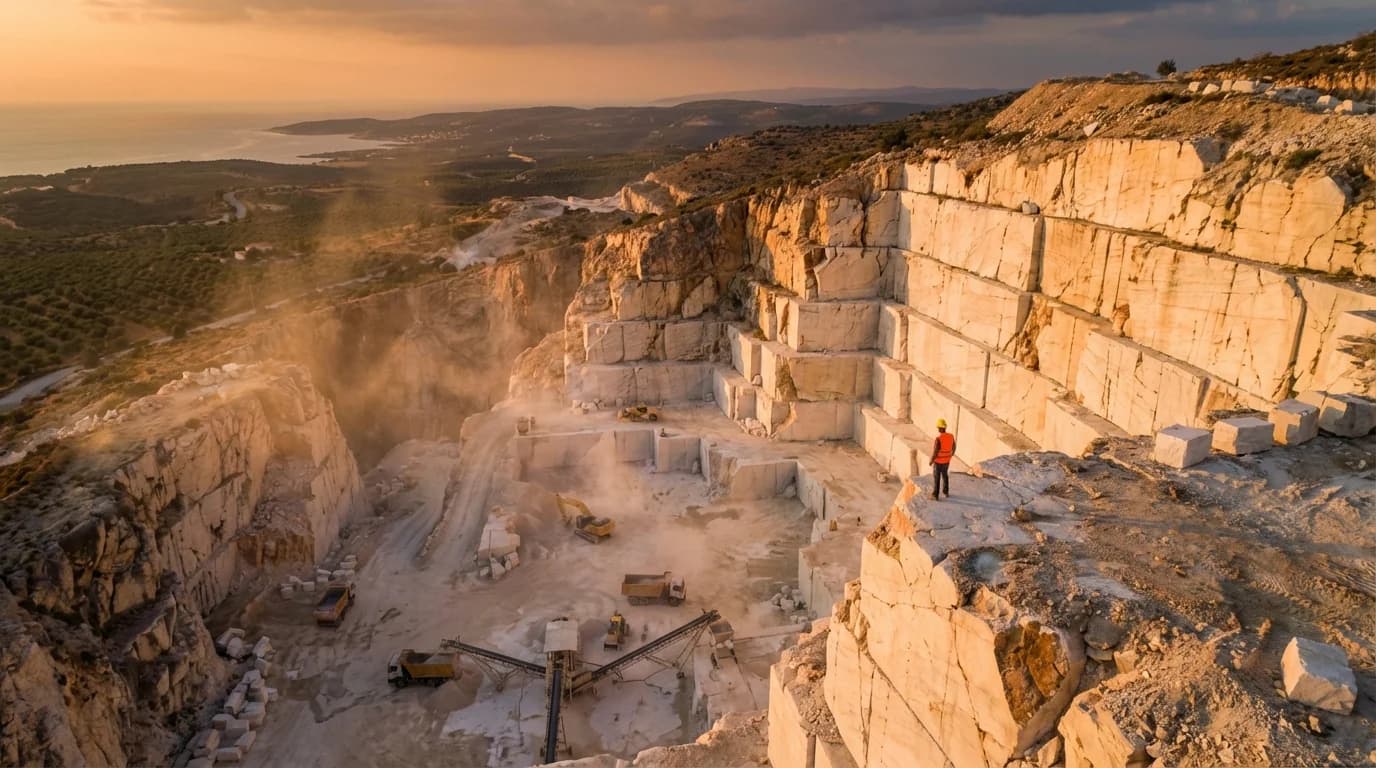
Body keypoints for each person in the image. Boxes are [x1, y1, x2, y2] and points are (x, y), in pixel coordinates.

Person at [930, 418, 955, 500]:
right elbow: (954, 447)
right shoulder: (951, 436)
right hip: (947, 461)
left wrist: (931, 460)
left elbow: (935, 452)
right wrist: (950, 455)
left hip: (938, 461)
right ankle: (946, 492)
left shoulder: (938, 439)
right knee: (945, 475)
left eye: (938, 428)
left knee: (937, 477)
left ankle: (935, 495)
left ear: (940, 428)